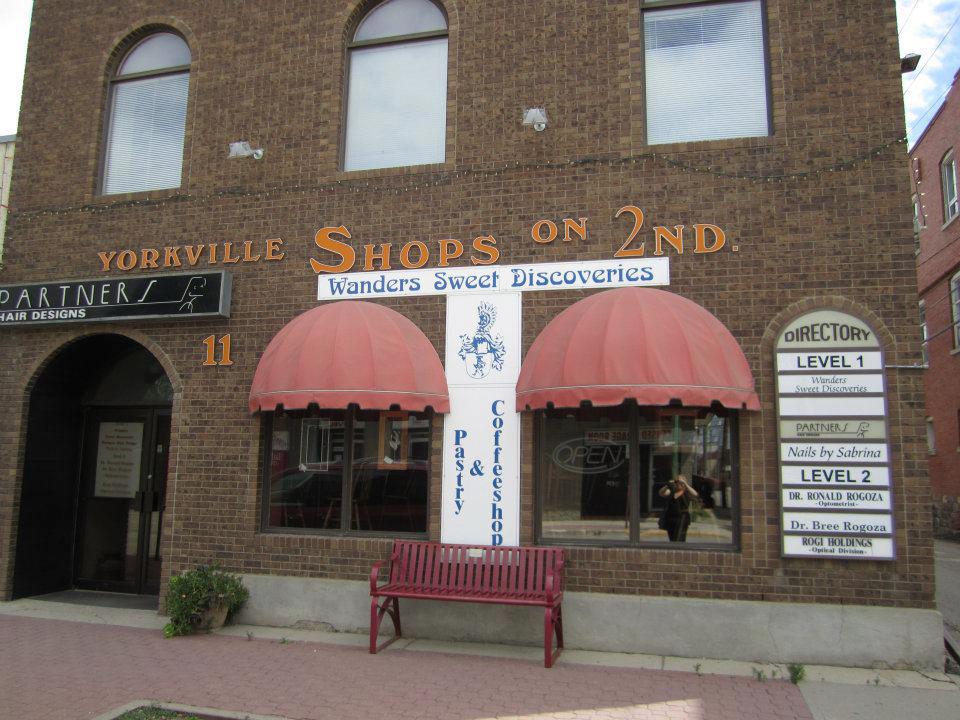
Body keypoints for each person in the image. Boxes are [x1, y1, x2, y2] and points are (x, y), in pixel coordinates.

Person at [658, 474, 699, 542]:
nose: (680, 484)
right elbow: (661, 493)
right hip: (671, 519)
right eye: (678, 482)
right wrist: (667, 485)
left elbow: (695, 494)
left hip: (682, 519)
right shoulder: (672, 490)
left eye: (682, 482)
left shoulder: (687, 491)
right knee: (672, 539)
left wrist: (685, 484)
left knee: (681, 539)